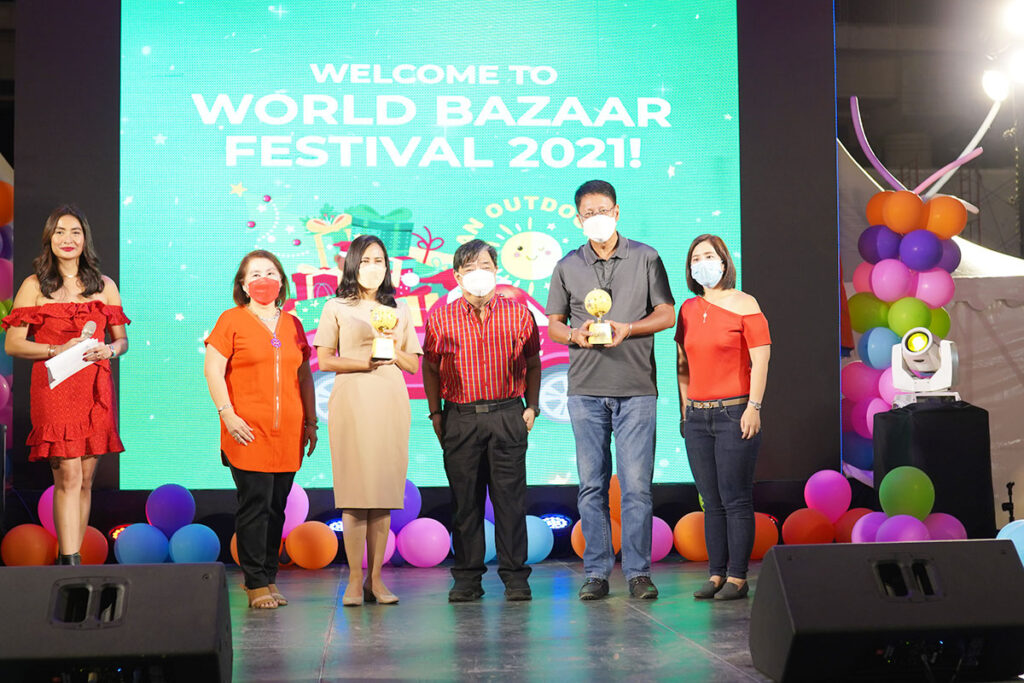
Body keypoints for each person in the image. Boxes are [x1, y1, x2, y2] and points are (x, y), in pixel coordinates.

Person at [546, 180, 675, 600]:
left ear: (617, 213)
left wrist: (629, 328)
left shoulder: (646, 256)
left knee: (636, 487)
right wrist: (575, 335)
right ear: (578, 219)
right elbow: (554, 324)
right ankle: (597, 572)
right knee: (592, 486)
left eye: (604, 211)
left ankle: (638, 573)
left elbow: (667, 314)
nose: (597, 218)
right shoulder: (567, 265)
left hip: (636, 388)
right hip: (585, 389)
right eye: (589, 213)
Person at [3, 205, 130, 566]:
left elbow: (122, 341)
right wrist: (56, 349)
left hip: (95, 390)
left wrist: (110, 349)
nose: (67, 239)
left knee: (86, 478)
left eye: (75, 232)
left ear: (85, 238)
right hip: (55, 388)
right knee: (68, 475)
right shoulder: (34, 285)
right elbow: (13, 344)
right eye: (60, 231)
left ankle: (74, 557)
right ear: (50, 238)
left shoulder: (105, 286)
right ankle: (68, 560)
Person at [423, 239, 541, 603]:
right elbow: (430, 367)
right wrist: (436, 412)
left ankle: (515, 578)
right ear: (457, 276)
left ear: (496, 271)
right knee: (465, 503)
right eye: (470, 268)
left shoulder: (519, 313)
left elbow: (533, 362)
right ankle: (467, 578)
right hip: (460, 418)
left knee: (511, 502)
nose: (479, 274)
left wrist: (532, 406)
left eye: (486, 266)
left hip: (507, 414)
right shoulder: (440, 317)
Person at [204, 250, 317, 609]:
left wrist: (311, 421)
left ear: (282, 281)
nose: (263, 279)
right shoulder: (231, 320)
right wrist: (228, 415)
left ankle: (269, 577)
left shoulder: (293, 324)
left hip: (288, 433)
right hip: (247, 430)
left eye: (270, 273)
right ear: (242, 284)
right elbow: (213, 369)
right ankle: (254, 582)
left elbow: (304, 376)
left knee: (276, 508)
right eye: (254, 274)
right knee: (255, 505)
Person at [313, 235, 422, 607]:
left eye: (379, 260)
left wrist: (391, 347)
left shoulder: (400, 307)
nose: (373, 267)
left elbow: (412, 364)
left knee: (383, 494)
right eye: (366, 261)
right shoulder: (336, 307)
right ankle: (355, 580)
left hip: (390, 399)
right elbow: (326, 360)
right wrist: (365, 362)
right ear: (352, 265)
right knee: (356, 494)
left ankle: (376, 579)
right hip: (353, 399)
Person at [675, 234, 770, 601]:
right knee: (710, 501)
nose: (703, 263)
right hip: (698, 418)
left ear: (725, 261)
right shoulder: (687, 309)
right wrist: (685, 410)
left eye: (709, 256)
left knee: (735, 499)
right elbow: (682, 365)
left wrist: (754, 407)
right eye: (696, 258)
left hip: (735, 412)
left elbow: (761, 359)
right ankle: (715, 574)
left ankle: (737, 577)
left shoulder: (746, 303)